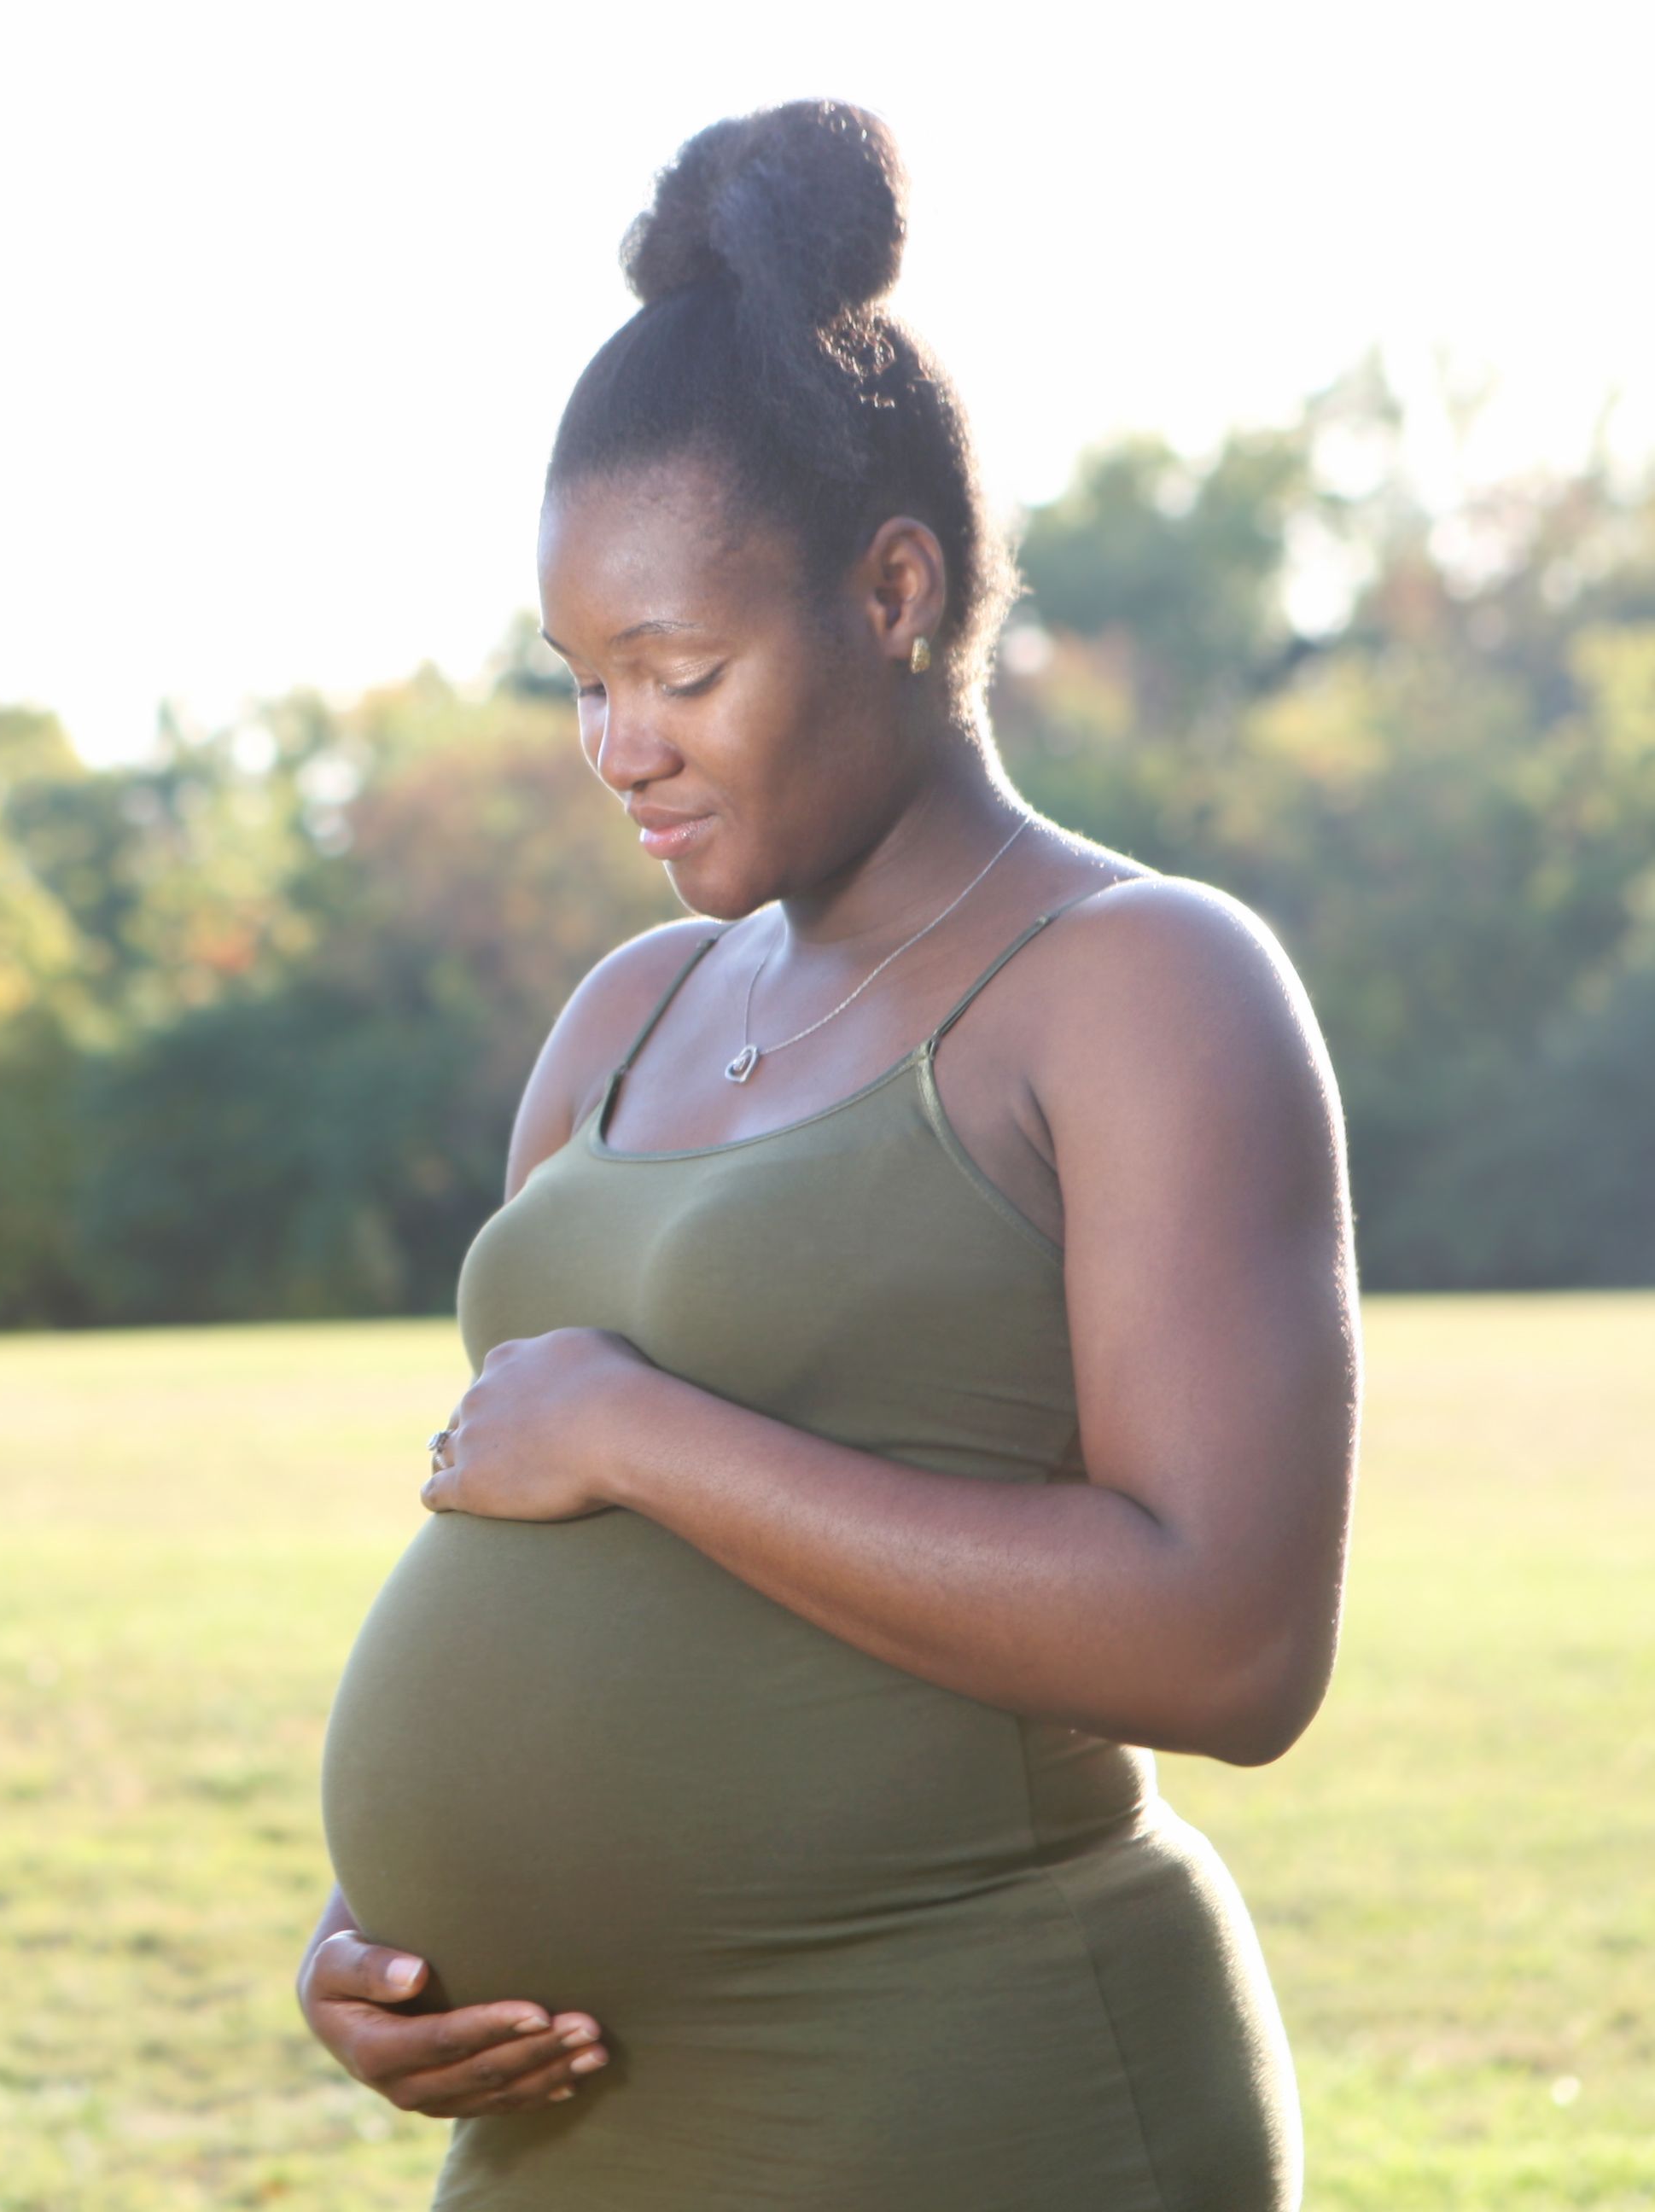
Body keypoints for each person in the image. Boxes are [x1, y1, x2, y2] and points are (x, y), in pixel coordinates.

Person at [295, 100, 1356, 2210]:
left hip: (961, 2095)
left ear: (894, 590)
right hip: (565, 2131)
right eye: (583, 684)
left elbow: (1231, 1641)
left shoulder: (1138, 985)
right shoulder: (628, 1013)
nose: (621, 749)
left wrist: (648, 1431)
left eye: (679, 672)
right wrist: (378, 1939)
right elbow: (526, 1541)